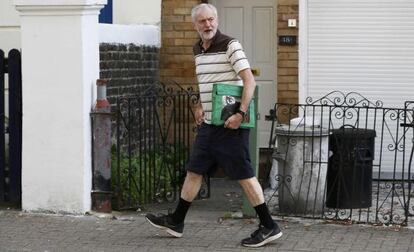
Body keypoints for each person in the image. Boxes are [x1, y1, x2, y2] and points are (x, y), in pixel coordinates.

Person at [145, 3, 282, 248]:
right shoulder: (197, 49)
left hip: (230, 126)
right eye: (202, 21)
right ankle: (177, 221)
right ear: (195, 25)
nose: (207, 25)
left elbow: (249, 81)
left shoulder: (231, 45)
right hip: (209, 125)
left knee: (244, 176)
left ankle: (269, 225)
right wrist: (199, 103)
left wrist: (240, 113)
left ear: (216, 20)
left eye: (211, 20)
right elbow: (208, 83)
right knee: (194, 171)